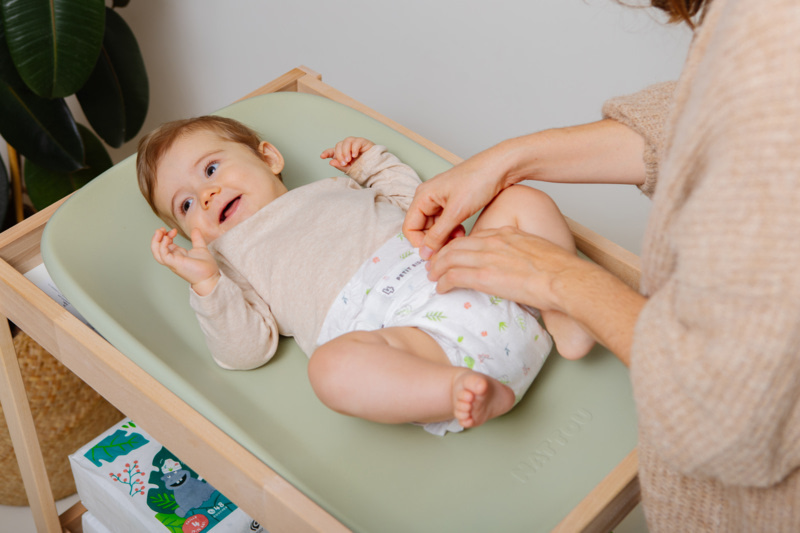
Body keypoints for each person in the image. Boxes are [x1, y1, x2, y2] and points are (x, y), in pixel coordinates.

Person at [403, 0, 800, 529]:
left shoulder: (776, 38)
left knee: (333, 371)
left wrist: (561, 279)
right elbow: (723, 114)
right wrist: (507, 159)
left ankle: (565, 327)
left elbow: (727, 413)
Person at [136, 116, 594, 436]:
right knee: (328, 370)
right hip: (415, 342)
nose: (207, 194)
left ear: (269, 157)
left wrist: (372, 163)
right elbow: (247, 349)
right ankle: (454, 389)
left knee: (520, 201)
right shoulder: (230, 262)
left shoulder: (332, 188)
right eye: (186, 205)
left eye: (211, 169)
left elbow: (415, 207)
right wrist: (207, 284)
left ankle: (565, 317)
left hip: (463, 273)